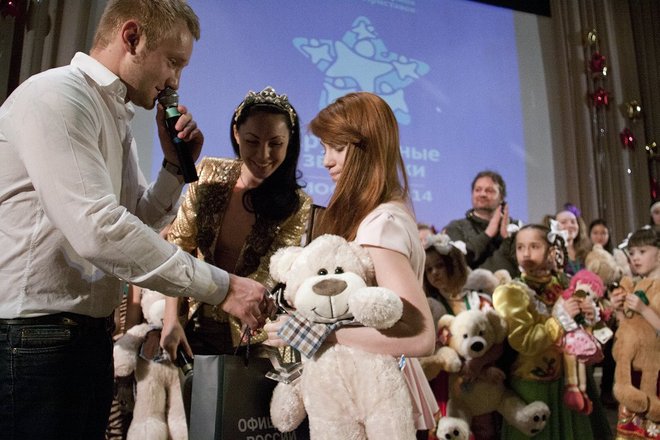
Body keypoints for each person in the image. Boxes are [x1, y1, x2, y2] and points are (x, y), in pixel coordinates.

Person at [0, 2, 270, 439]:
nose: (175, 82)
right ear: (132, 37)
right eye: (173, 62)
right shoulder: (59, 96)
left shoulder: (111, 113)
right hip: (34, 338)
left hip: (79, 337)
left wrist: (174, 168)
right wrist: (222, 287)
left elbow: (133, 222)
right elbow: (99, 230)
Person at [265, 92, 437, 439]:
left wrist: (319, 334)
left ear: (367, 148)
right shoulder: (384, 215)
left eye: (338, 148)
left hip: (380, 401)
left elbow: (420, 336)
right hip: (364, 393)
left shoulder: (380, 224)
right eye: (324, 148)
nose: (327, 161)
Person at [160, 86, 311, 361]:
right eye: (253, 141)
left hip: (249, 334)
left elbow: (270, 273)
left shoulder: (296, 203)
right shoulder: (209, 174)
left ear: (290, 142)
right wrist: (171, 318)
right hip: (192, 321)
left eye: (275, 143)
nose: (263, 154)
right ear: (236, 134)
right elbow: (179, 246)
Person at [492, 224, 600, 439]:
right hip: (531, 383)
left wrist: (587, 316)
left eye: (534, 246)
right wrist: (560, 320)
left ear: (551, 251)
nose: (526, 253)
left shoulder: (565, 284)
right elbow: (525, 341)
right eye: (520, 247)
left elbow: (581, 337)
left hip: (567, 383)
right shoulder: (512, 292)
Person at [422, 232, 500, 440]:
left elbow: (498, 340)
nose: (434, 273)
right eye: (428, 270)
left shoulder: (478, 301)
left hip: (482, 385)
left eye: (439, 265)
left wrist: (480, 364)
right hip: (446, 386)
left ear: (454, 264)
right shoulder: (431, 307)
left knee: (485, 431)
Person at [610, 226, 660, 439]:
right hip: (634, 373)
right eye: (631, 253)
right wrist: (619, 310)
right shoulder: (636, 285)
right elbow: (628, 330)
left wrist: (644, 309)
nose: (635, 258)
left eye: (642, 251)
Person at [443, 170, 519, 277]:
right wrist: (488, 234)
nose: (482, 194)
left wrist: (506, 238)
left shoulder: (515, 227)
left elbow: (522, 263)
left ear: (501, 197)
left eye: (489, 191)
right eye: (478, 190)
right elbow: (456, 263)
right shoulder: (457, 227)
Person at [551, 203, 591, 276]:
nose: (570, 225)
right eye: (563, 222)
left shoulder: (587, 251)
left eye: (573, 222)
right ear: (554, 227)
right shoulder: (552, 253)